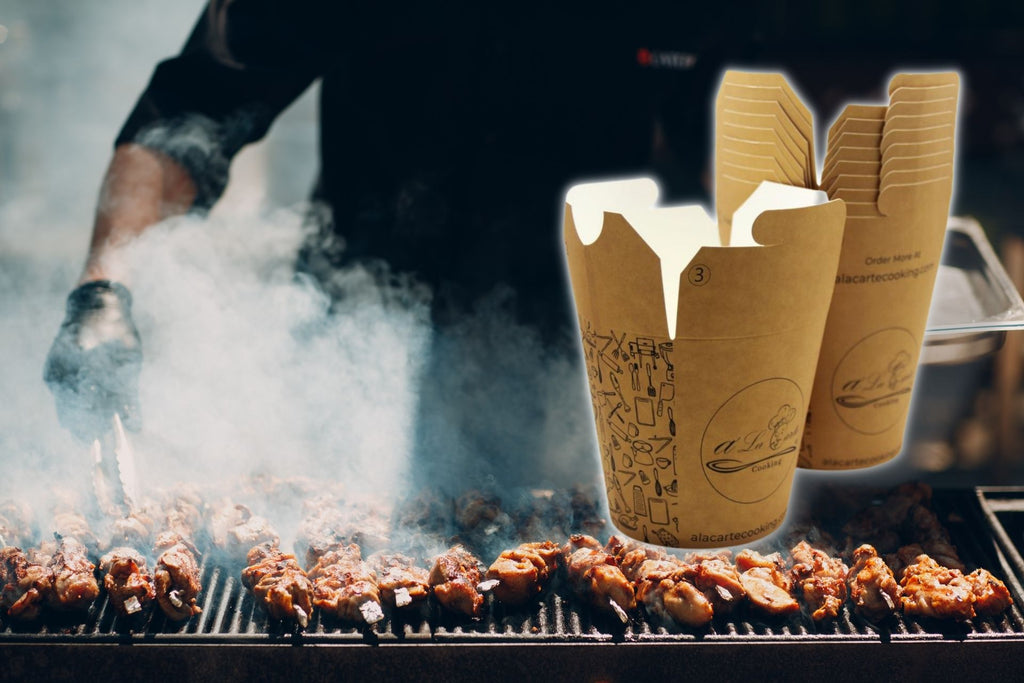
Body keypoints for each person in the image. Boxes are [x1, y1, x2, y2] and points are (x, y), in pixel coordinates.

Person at [43, 2, 739, 487]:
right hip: (352, 355)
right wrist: (103, 289)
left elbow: (733, 152)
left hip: (571, 372)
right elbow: (197, 107)